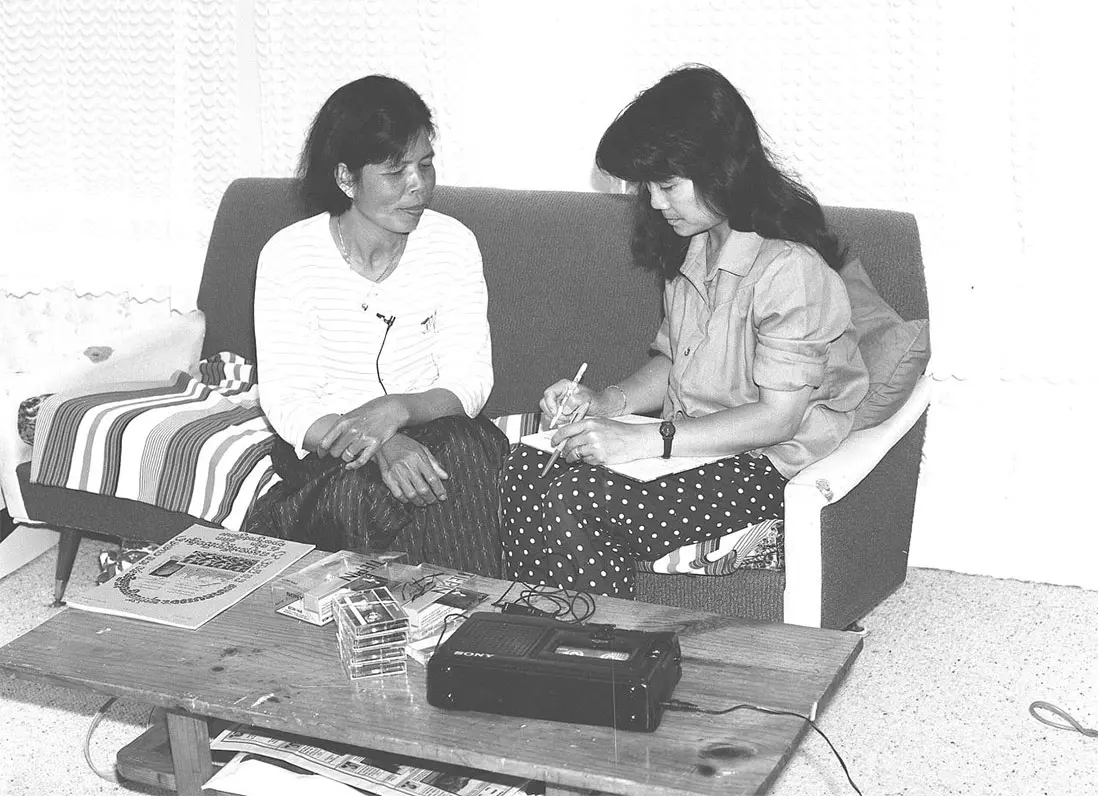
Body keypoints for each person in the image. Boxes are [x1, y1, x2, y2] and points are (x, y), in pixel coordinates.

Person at [500, 65, 869, 597]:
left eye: (667, 185)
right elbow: (675, 362)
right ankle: (542, 645)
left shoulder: (791, 271)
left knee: (574, 496)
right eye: (647, 186)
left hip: (763, 464)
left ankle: (600, 653)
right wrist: (604, 401)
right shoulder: (693, 247)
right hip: (690, 442)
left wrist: (647, 438)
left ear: (721, 169)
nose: (653, 202)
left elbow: (779, 417)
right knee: (525, 466)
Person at [246, 75, 509, 577]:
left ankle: (447, 623)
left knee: (461, 453)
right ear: (346, 179)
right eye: (395, 171)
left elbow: (470, 378)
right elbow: (291, 403)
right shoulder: (289, 255)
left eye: (425, 166)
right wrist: (382, 442)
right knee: (371, 490)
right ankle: (456, 623)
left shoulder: (452, 243)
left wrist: (397, 411)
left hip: (438, 429)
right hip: (329, 450)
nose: (419, 186)